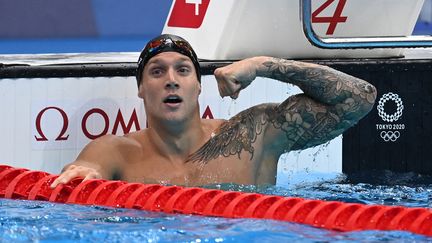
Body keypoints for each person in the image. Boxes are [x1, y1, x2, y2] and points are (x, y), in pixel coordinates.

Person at [50, 34, 377, 188]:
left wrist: (265, 65)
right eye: (157, 71)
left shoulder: (254, 134)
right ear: (140, 88)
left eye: (182, 70)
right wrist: (83, 175)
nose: (171, 81)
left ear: (198, 85)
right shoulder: (116, 152)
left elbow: (360, 97)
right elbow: (84, 168)